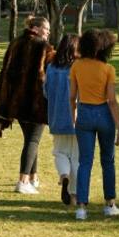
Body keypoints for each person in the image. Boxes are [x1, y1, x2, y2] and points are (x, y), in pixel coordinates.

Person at [0, 15, 54, 194]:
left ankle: (33, 177)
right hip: (35, 101)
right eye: (46, 29)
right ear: (36, 28)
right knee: (33, 141)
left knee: (31, 140)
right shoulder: (42, 46)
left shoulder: (15, 43)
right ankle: (23, 180)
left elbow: (6, 71)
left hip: (15, 101)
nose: (48, 33)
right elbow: (50, 70)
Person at [69, 27, 119, 220]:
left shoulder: (76, 66)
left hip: (84, 112)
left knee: (85, 162)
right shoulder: (108, 69)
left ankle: (81, 207)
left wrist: (73, 116)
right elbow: (112, 100)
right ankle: (110, 203)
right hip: (104, 114)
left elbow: (72, 96)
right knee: (108, 161)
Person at [43, 33, 79, 205]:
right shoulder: (78, 68)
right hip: (77, 116)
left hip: (57, 115)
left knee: (60, 152)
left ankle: (63, 175)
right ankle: (74, 193)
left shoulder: (51, 67)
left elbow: (45, 91)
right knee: (77, 156)